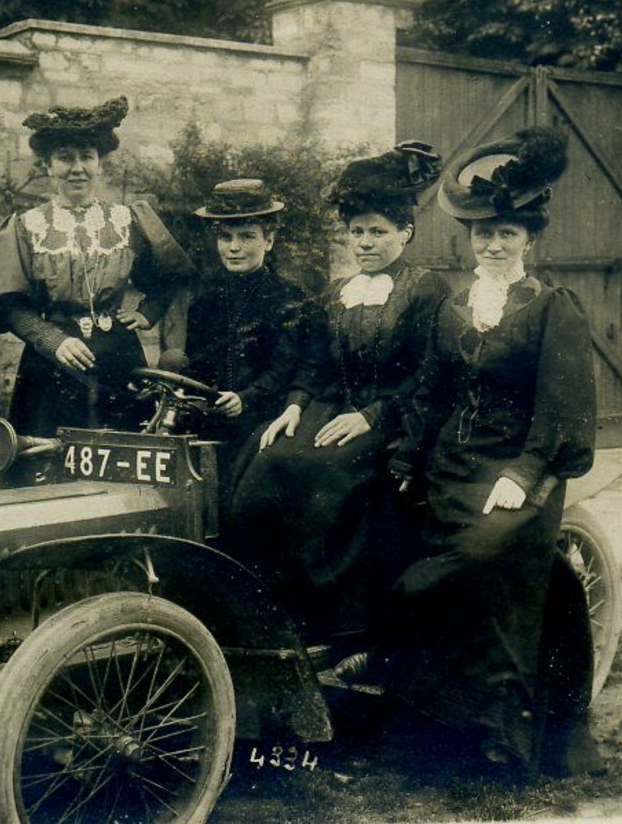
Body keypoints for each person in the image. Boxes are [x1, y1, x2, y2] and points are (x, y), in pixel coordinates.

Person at [380, 125, 601, 782]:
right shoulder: (452, 309)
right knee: (405, 565)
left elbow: (563, 408)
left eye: (506, 232)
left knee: (479, 566)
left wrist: (524, 473)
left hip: (519, 474)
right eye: (483, 233)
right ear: (469, 240)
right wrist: (403, 459)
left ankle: (504, 730)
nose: (493, 243)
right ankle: (443, 729)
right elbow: (428, 393)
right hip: (451, 469)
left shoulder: (549, 308)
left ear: (528, 239)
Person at [227, 143, 451, 630]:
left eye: (378, 231)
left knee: (321, 473)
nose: (365, 242)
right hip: (330, 407)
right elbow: (317, 364)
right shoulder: (337, 293)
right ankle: (270, 602)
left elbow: (428, 375)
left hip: (394, 418)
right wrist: (293, 406)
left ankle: (339, 621)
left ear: (405, 234)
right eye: (356, 232)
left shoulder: (424, 289)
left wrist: (371, 416)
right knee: (267, 459)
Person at [0, 96, 193, 439]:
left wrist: (147, 312)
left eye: (86, 157)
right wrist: (52, 340)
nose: (76, 168)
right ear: (48, 166)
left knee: (123, 452)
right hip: (52, 364)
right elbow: (9, 306)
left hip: (119, 359)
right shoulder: (26, 226)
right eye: (65, 158)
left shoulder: (127, 220)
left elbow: (173, 276)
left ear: (99, 164)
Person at [173, 178, 317, 494]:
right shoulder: (205, 298)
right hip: (211, 416)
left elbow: (285, 369)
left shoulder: (291, 298)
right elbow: (196, 363)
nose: (234, 247)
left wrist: (245, 399)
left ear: (269, 239)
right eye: (225, 237)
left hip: (268, 417)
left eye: (247, 236)